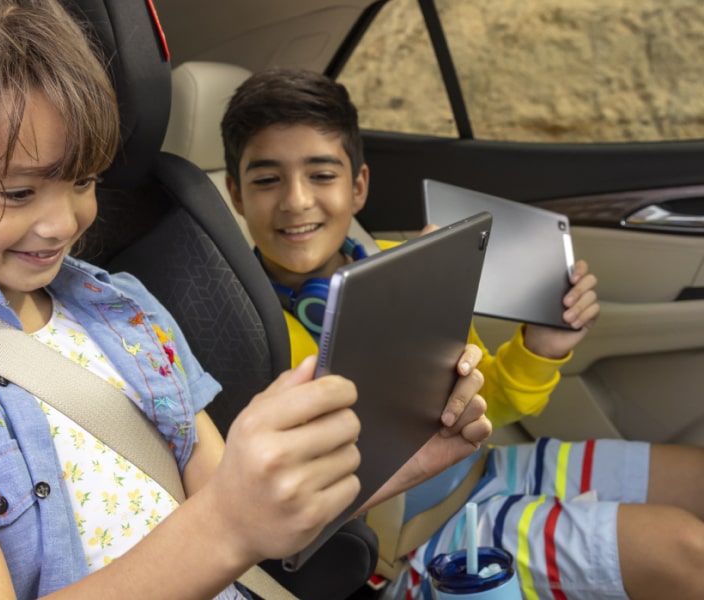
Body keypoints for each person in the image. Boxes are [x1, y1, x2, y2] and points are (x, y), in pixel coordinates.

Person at [0, 3, 493, 599]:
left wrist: (398, 456)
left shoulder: (119, 307)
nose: (62, 223)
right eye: (17, 192)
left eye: (83, 180)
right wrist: (225, 522)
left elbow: (260, 524)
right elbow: (227, 523)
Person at [219, 66, 704, 600]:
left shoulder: (396, 266)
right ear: (236, 195)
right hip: (414, 538)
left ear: (358, 186)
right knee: (684, 551)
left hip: (485, 465)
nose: (295, 200)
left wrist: (540, 349)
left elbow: (481, 405)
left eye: (321, 174)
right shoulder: (248, 331)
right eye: (267, 179)